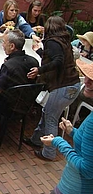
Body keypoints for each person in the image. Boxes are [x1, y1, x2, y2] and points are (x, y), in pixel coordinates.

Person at [31, 58, 93, 194]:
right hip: (81, 192)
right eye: (87, 77)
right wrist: (73, 131)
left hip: (73, 192)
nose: (86, 81)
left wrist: (58, 141)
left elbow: (87, 169)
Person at [25, 16, 81, 161]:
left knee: (51, 118)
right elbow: (55, 58)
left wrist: (39, 70)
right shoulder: (64, 41)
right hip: (73, 85)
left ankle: (49, 153)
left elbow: (58, 61)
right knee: (47, 113)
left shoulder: (52, 42)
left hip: (62, 86)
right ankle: (36, 140)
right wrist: (39, 51)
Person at [0, 29, 39, 132]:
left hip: (9, 105)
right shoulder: (34, 61)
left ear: (12, 46)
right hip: (27, 103)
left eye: (4, 43)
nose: (2, 45)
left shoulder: (8, 66)